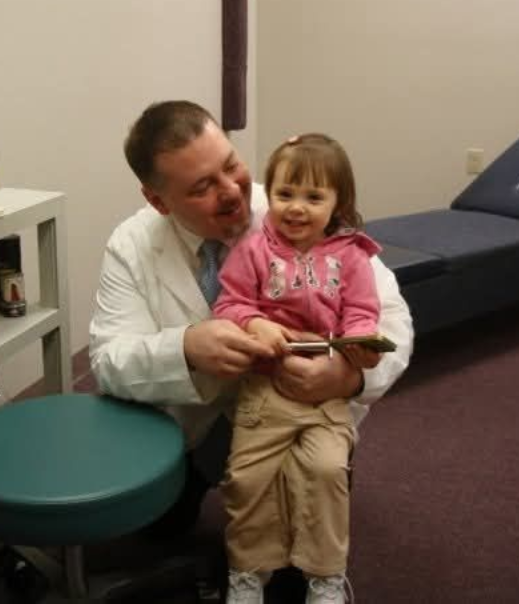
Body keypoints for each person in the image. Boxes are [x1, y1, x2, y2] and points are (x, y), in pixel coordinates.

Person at [89, 99, 413, 591]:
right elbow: (108, 361)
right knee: (160, 527)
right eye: (202, 187)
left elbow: (392, 316)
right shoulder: (131, 245)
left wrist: (351, 375)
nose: (231, 194)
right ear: (159, 201)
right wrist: (187, 348)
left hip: (303, 409)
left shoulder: (295, 204)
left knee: (293, 567)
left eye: (231, 166)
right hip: (196, 425)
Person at [214, 133, 384, 603]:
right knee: (247, 479)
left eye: (314, 197)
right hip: (266, 389)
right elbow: (228, 303)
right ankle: (248, 573)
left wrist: (362, 345)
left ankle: (326, 575)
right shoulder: (252, 250)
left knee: (327, 471)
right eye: (285, 194)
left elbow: (361, 312)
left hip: (326, 392)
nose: (296, 208)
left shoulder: (352, 256)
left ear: (337, 203)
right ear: (268, 195)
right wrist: (253, 321)